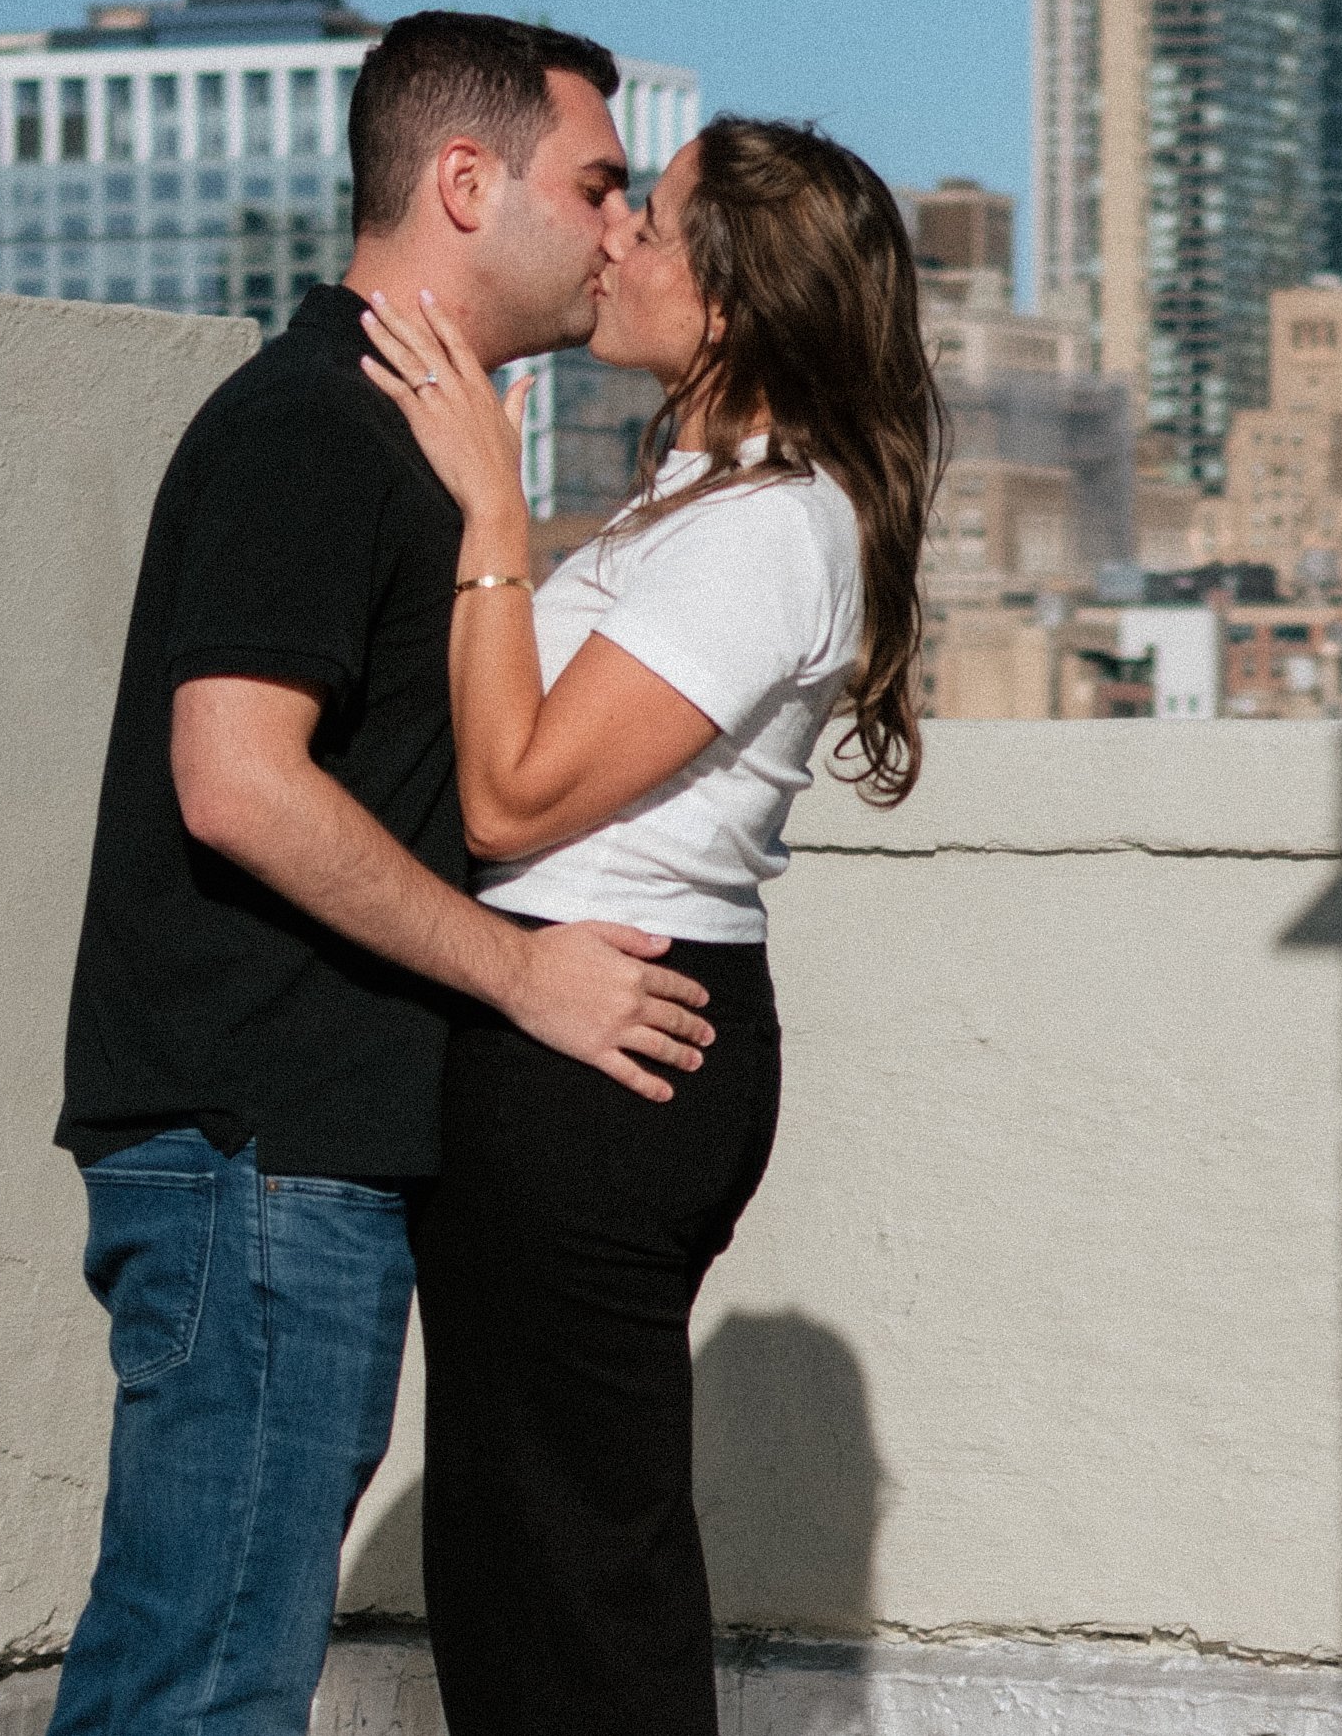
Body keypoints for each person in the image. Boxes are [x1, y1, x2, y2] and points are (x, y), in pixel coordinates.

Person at [46, 12, 719, 1736]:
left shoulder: (410, 443)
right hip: (254, 1155)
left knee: (203, 1669)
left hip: (290, 1162)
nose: (621, 229)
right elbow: (237, 780)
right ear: (466, 182)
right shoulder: (316, 427)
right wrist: (519, 974)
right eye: (596, 184)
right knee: (197, 1688)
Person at [359, 112, 941, 1736]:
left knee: (575, 1559)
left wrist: (491, 509)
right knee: (510, 1538)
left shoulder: (772, 528)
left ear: (735, 303)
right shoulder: (696, 502)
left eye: (657, 223)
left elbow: (516, 795)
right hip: (560, 1031)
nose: (613, 239)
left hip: (607, 1045)